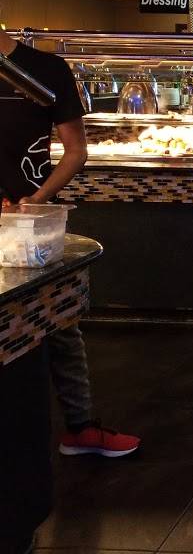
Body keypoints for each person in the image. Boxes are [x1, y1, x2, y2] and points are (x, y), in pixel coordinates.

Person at [0, 28, 140, 458]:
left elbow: (76, 150)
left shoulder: (44, 69)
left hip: (30, 224)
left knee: (59, 320)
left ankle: (79, 427)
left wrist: (37, 200)